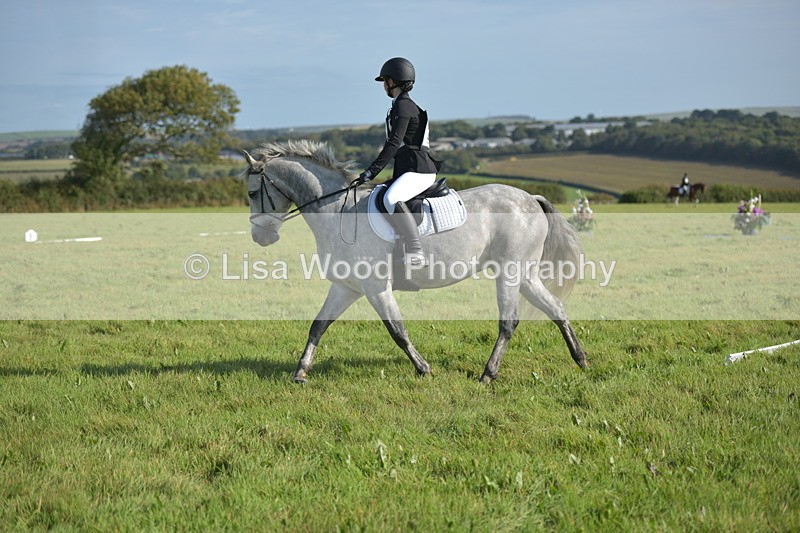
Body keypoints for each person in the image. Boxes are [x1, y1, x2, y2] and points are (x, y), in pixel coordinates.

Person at [355, 57, 440, 266]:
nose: (384, 84)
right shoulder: (400, 106)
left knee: (390, 199)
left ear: (394, 81)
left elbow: (393, 143)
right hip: (409, 169)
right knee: (380, 196)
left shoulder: (404, 107)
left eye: (385, 80)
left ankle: (415, 250)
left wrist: (370, 172)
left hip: (419, 170)